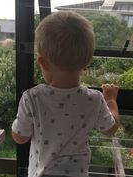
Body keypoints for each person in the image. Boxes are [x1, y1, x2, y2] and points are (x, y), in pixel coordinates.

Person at [12, 11, 119, 177]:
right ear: (87, 62)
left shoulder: (32, 97)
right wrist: (111, 100)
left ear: (43, 63)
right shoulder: (94, 99)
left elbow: (20, 137)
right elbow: (110, 129)